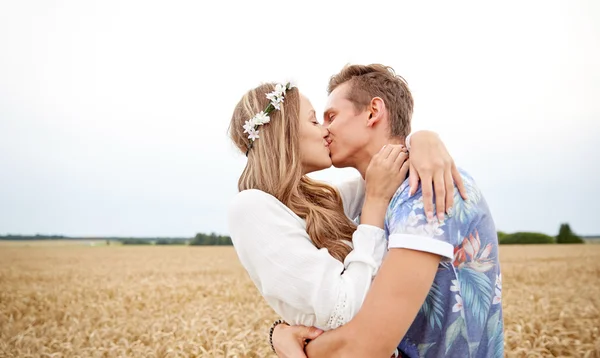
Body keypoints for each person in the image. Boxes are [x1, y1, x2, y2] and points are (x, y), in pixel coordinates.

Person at [226, 73, 467, 358]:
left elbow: (380, 169)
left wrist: (423, 139)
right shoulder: (250, 206)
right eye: (315, 120)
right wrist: (375, 205)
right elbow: (342, 312)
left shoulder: (315, 200)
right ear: (285, 132)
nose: (325, 130)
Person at [272, 64, 504, 358]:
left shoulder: (425, 191)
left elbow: (365, 346)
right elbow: (343, 308)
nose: (324, 129)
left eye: (331, 116)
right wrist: (279, 331)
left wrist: (292, 344)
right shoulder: (371, 206)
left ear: (372, 112)